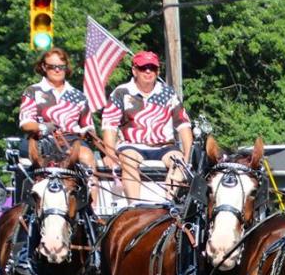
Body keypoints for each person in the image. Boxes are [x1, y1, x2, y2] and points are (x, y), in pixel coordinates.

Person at [101, 51, 192, 202]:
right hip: (132, 145)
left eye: (152, 68)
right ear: (134, 70)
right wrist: (109, 154)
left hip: (164, 146)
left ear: (158, 71)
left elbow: (183, 125)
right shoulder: (121, 92)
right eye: (143, 68)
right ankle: (135, 207)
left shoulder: (168, 93)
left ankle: (168, 207)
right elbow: (109, 125)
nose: (148, 71)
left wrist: (187, 156)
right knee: (128, 158)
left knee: (179, 162)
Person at [18, 47, 98, 200]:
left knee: (87, 156)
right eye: (52, 66)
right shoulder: (33, 91)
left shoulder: (78, 96)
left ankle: (92, 207)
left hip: (71, 141)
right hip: (41, 140)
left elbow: (88, 125)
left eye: (61, 67)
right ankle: (29, 203)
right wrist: (43, 127)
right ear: (43, 67)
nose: (57, 70)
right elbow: (26, 124)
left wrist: (85, 132)